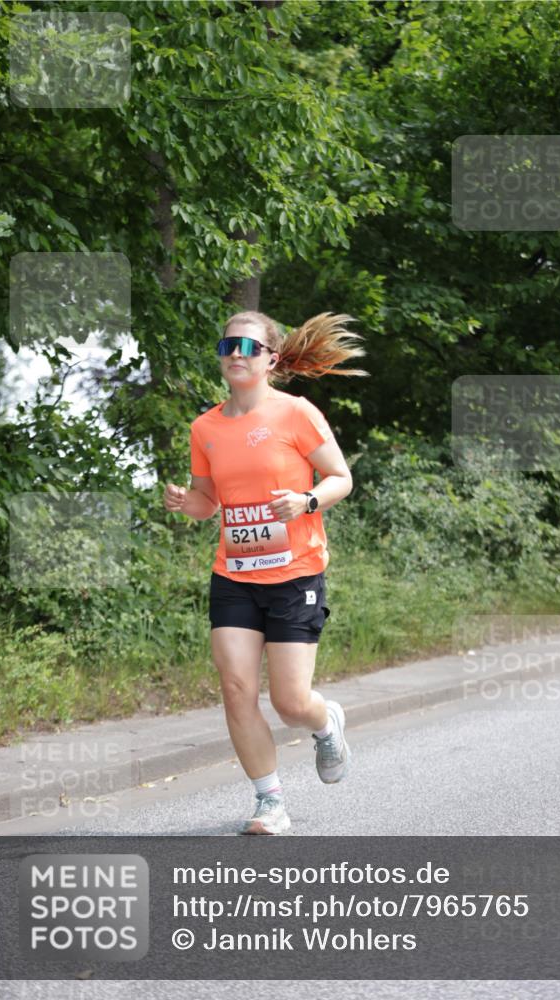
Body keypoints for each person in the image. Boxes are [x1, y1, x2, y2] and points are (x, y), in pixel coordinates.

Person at [164, 310, 368, 834]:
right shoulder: (205, 427)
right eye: (229, 344)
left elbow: (340, 477)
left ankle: (326, 724)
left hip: (295, 574)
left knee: (290, 701)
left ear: (271, 359)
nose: (237, 353)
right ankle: (270, 802)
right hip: (234, 574)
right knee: (235, 687)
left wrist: (304, 501)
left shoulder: (296, 414)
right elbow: (208, 502)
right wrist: (187, 502)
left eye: (249, 346)